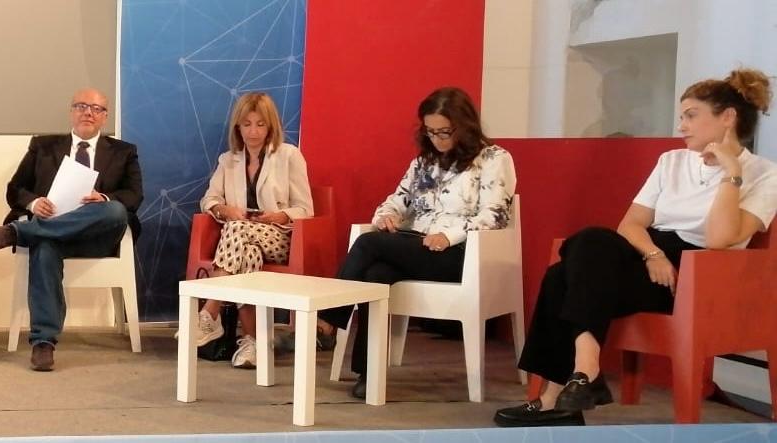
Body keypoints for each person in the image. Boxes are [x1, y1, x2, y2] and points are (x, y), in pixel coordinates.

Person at [495, 69, 776, 427]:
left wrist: (730, 173)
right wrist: (653, 255)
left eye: (691, 116)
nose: (681, 126)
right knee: (591, 239)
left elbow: (719, 241)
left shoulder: (765, 174)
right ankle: (585, 367)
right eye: (682, 117)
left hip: (696, 274)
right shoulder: (671, 161)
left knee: (560, 275)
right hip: (651, 255)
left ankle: (556, 398)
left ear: (728, 117)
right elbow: (630, 225)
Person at [318, 86, 518, 399]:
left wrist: (450, 235)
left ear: (464, 126)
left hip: (460, 253)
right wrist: (386, 216)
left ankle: (326, 323)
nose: (437, 139)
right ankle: (369, 374)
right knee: (376, 275)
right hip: (418, 245)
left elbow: (494, 215)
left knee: (369, 245)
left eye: (444, 132)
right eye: (430, 132)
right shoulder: (425, 162)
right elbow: (398, 199)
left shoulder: (494, 159)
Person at [0, 88, 143, 371]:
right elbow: (15, 189)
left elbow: (134, 196)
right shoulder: (43, 146)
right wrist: (34, 203)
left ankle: (19, 232)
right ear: (71, 111)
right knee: (45, 246)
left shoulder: (124, 151)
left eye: (96, 108)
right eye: (81, 106)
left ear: (105, 116)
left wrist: (103, 198)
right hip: (54, 234)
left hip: (97, 236)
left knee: (116, 210)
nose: (88, 112)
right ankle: (43, 342)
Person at [189, 92, 315, 370]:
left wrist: (278, 215)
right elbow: (209, 200)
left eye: (260, 124)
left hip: (280, 238)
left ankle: (210, 312)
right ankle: (253, 343)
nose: (253, 131)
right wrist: (225, 210)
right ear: (238, 127)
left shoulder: (289, 155)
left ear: (271, 127)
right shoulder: (228, 160)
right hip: (241, 242)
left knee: (236, 230)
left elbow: (305, 208)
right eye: (247, 124)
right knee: (247, 254)